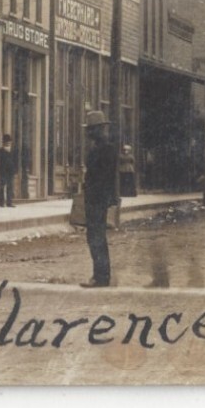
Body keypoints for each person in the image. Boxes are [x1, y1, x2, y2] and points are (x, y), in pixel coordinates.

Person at [82, 110, 119, 288]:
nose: (88, 133)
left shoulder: (104, 150)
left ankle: (101, 277)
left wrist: (93, 192)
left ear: (97, 130)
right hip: (96, 198)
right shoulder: (101, 148)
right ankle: (100, 275)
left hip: (97, 199)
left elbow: (104, 178)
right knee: (95, 237)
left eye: (90, 129)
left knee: (96, 238)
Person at [0, 133, 16, 207]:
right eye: (6, 142)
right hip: (3, 171)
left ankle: (9, 202)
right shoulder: (0, 151)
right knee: (2, 186)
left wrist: (15, 170)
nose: (8, 143)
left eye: (9, 141)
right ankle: (1, 202)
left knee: (10, 186)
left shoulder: (13, 150)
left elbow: (16, 161)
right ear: (3, 142)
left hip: (11, 171)